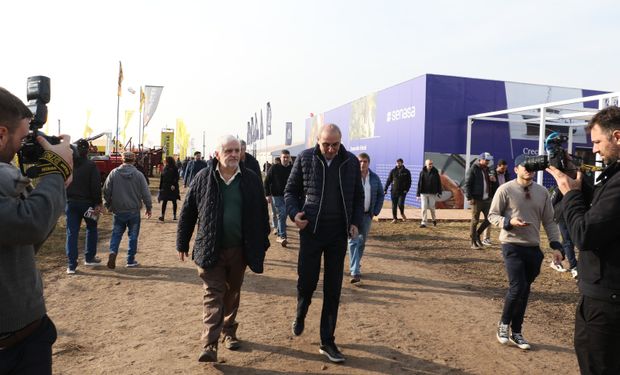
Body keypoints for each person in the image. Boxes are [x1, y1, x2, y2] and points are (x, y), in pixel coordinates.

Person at [177, 135, 270, 363]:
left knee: (232, 291)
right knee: (213, 293)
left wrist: (262, 241)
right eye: (228, 150)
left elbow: (261, 213)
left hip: (240, 249)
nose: (233, 155)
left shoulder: (250, 179)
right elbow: (188, 212)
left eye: (237, 150)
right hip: (211, 247)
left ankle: (229, 330)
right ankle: (210, 344)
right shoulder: (203, 178)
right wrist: (182, 242)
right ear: (217, 154)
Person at [0, 86, 74, 374]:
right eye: (22, 138)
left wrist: (49, 188)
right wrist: (56, 168)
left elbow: (28, 241)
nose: (23, 148)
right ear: (2, 134)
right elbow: (30, 225)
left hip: (27, 336)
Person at [546, 106, 620, 374]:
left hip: (606, 306)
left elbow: (584, 235)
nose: (596, 150)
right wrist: (580, 184)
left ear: (618, 137)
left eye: (598, 142)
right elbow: (604, 211)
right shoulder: (614, 175)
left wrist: (570, 195)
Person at [285, 124, 363, 363]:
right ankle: (301, 312)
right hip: (311, 231)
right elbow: (290, 191)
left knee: (333, 288)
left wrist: (356, 222)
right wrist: (294, 214)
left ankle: (327, 341)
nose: (330, 149)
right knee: (307, 282)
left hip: (337, 235)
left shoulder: (349, 162)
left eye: (335, 144)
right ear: (317, 141)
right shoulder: (305, 158)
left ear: (341, 142)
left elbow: (358, 197)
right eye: (326, 144)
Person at [488, 154, 563, 351]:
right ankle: (503, 325)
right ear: (516, 169)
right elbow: (492, 215)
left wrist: (556, 245)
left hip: (533, 248)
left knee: (525, 290)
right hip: (511, 244)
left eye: (531, 166)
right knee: (517, 286)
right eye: (524, 166)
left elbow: (549, 221)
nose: (528, 169)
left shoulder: (542, 192)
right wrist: (508, 222)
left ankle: (517, 332)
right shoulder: (505, 189)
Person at [103, 151, 152, 269]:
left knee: (116, 234)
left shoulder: (113, 173)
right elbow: (146, 193)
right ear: (134, 161)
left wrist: (107, 204)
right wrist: (148, 207)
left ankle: (113, 252)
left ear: (122, 160)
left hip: (118, 210)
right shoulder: (139, 175)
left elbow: (106, 190)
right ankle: (130, 260)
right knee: (133, 236)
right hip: (133, 210)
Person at [64, 139, 102, 274]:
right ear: (87, 151)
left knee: (71, 233)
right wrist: (98, 203)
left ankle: (71, 265)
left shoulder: (69, 165)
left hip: (71, 203)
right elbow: (96, 186)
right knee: (92, 228)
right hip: (87, 204)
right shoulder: (91, 165)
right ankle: (89, 257)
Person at [347, 152, 384, 283]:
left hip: (367, 215)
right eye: (360, 161)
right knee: (353, 241)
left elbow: (380, 194)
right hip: (353, 216)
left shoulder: (374, 178)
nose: (362, 164)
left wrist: (376, 211)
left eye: (365, 161)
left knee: (362, 242)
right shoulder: (350, 176)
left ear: (369, 163)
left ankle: (355, 264)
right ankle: (355, 271)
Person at [464, 152, 496, 248]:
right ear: (480, 159)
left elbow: (490, 183)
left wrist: (493, 180)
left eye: (488, 160)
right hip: (476, 199)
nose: (488, 162)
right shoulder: (473, 169)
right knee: (475, 221)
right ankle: (473, 241)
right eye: (486, 160)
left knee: (490, 219)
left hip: (487, 199)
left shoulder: (487, 169)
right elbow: (467, 184)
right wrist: (469, 197)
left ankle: (477, 234)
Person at [264, 149, 293, 247]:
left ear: (289, 158)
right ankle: (282, 236)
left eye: (287, 157)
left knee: (284, 215)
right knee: (282, 213)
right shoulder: (274, 168)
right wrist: (267, 194)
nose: (285, 159)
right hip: (277, 195)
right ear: (280, 158)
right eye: (283, 157)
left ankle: (280, 233)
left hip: (289, 195)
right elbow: (266, 181)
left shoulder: (293, 169)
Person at [482, 159, 511, 245]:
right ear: (498, 166)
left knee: (506, 218)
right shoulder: (491, 173)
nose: (504, 170)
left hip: (505, 199)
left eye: (505, 169)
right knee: (490, 218)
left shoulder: (506, 174)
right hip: (493, 198)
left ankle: (505, 238)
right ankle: (485, 238)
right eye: (502, 169)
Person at [384, 158, 411, 223]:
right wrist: (385, 189)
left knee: (401, 204)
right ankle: (394, 218)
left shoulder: (406, 171)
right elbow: (389, 180)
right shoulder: (393, 171)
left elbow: (409, 182)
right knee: (394, 205)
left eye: (399, 162)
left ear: (402, 163)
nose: (398, 164)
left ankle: (402, 213)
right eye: (397, 162)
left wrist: (406, 190)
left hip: (402, 192)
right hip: (394, 191)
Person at [416, 159, 442, 228]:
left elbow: (439, 182)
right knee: (424, 208)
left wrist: (439, 192)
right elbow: (419, 183)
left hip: (432, 193)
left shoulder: (435, 172)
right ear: (426, 164)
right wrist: (418, 194)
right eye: (429, 164)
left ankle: (434, 219)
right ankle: (424, 222)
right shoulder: (422, 172)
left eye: (431, 164)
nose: (430, 165)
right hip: (423, 193)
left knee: (431, 208)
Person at [158, 156, 181, 222]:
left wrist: (173, 184)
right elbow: (162, 178)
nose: (164, 161)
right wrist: (160, 187)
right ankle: (162, 216)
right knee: (164, 201)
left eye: (165, 160)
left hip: (172, 187)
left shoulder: (174, 168)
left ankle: (174, 215)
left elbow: (176, 177)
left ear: (169, 161)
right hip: (165, 187)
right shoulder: (165, 168)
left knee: (174, 201)